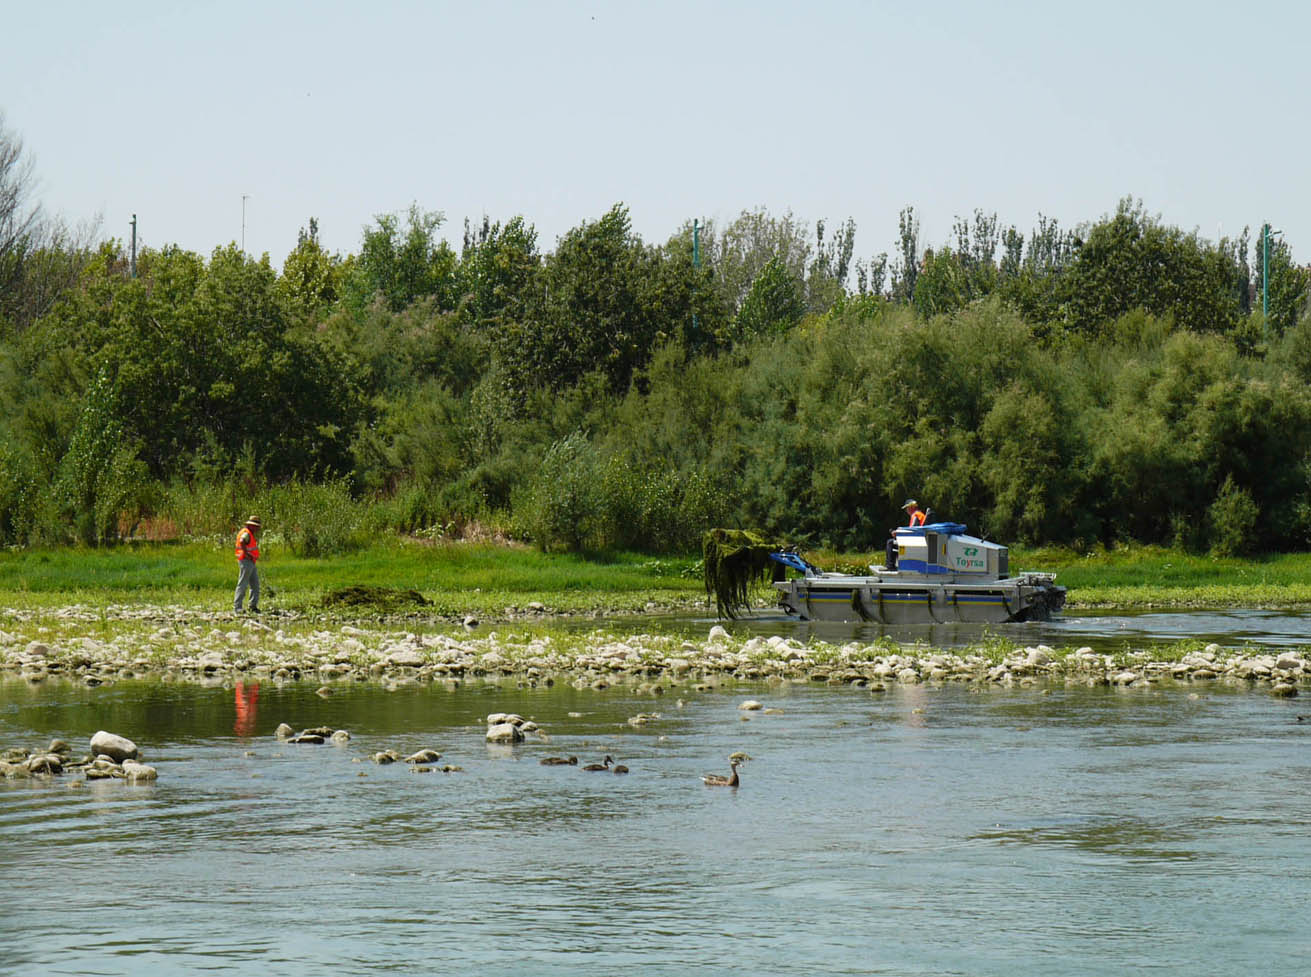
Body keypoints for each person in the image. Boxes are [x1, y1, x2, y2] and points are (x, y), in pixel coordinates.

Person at [233, 516, 261, 614]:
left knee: (255, 585)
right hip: (246, 561)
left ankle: (253, 606)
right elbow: (242, 542)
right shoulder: (246, 533)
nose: (256, 528)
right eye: (255, 526)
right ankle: (237, 607)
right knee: (243, 584)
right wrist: (247, 554)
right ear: (250, 525)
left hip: (250, 562)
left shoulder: (249, 533)